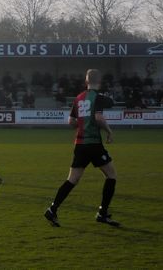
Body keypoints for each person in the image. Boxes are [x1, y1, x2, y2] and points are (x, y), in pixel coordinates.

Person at [44, 69, 120, 227]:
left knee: (72, 179)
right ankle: (102, 213)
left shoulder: (78, 98)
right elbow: (99, 118)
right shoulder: (98, 97)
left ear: (86, 82)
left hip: (80, 144)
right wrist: (109, 132)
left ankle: (53, 209)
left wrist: (82, 123)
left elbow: (71, 122)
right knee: (111, 175)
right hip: (93, 143)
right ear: (99, 82)